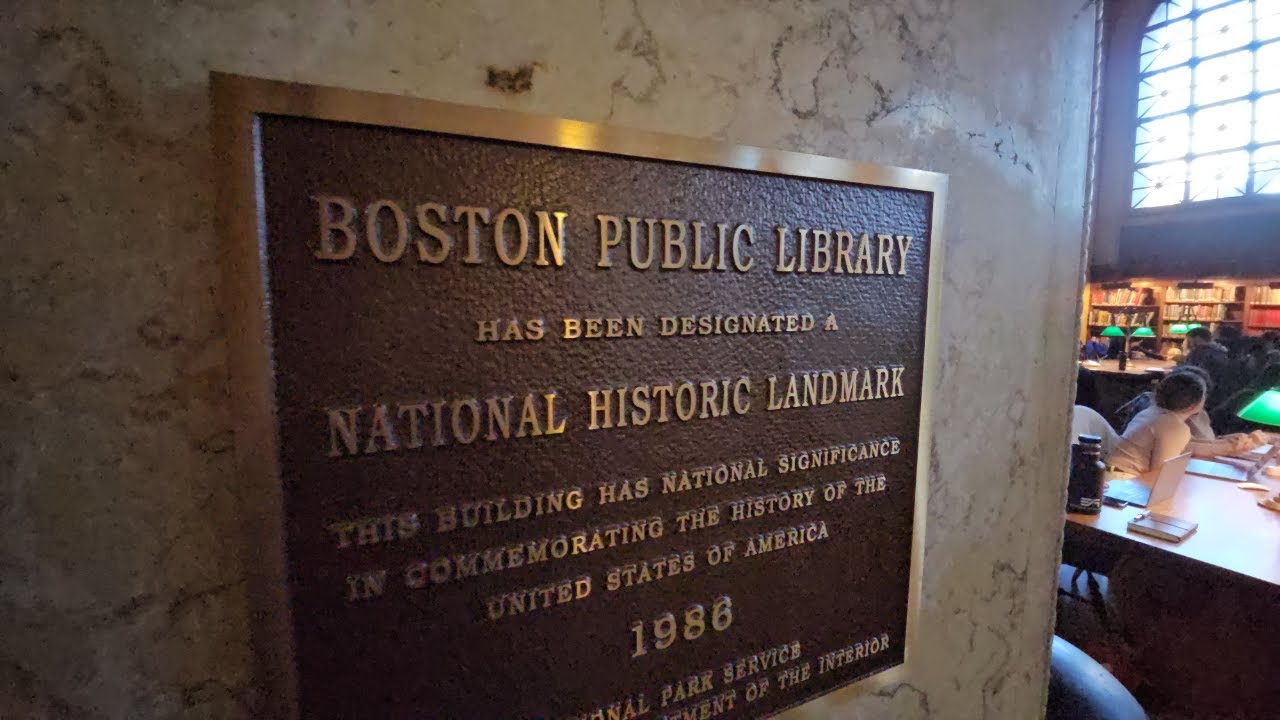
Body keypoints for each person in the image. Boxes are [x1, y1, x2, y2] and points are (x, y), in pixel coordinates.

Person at [1106, 372, 1208, 475]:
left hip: (1109, 473)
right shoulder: (1174, 427)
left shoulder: (1150, 412)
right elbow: (1161, 474)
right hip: (1125, 479)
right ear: (1194, 403)